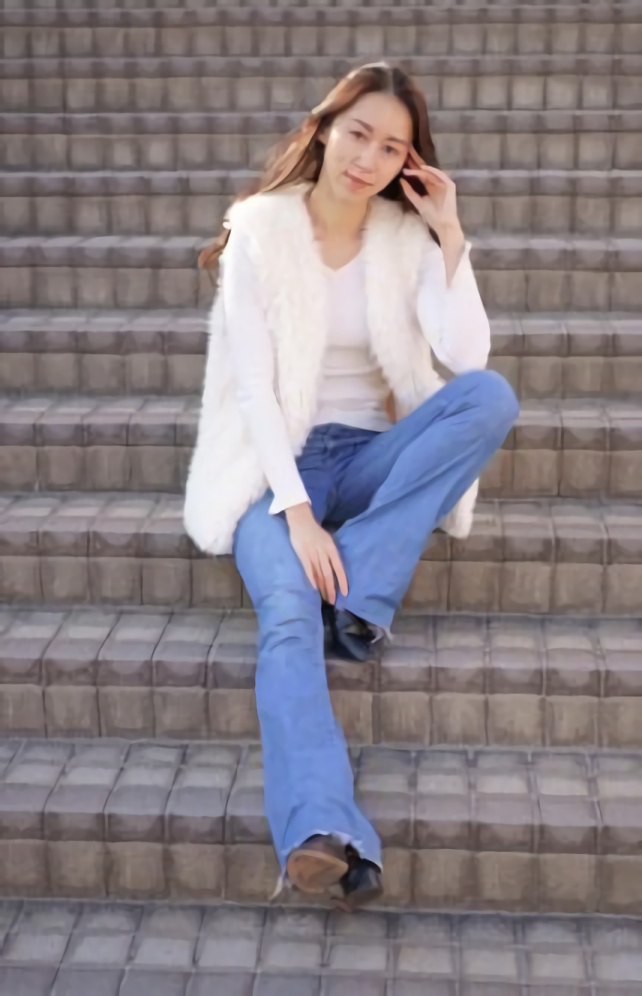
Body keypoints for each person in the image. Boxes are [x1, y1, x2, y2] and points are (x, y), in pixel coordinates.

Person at [184, 61, 519, 912]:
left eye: (392, 147)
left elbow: (467, 355)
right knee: (289, 616)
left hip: (371, 457)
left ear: (410, 161)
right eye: (359, 134)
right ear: (327, 128)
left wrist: (449, 233)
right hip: (276, 470)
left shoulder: (404, 239)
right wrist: (297, 515)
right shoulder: (260, 230)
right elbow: (255, 390)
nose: (369, 159)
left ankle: (362, 584)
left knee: (489, 397)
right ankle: (321, 830)